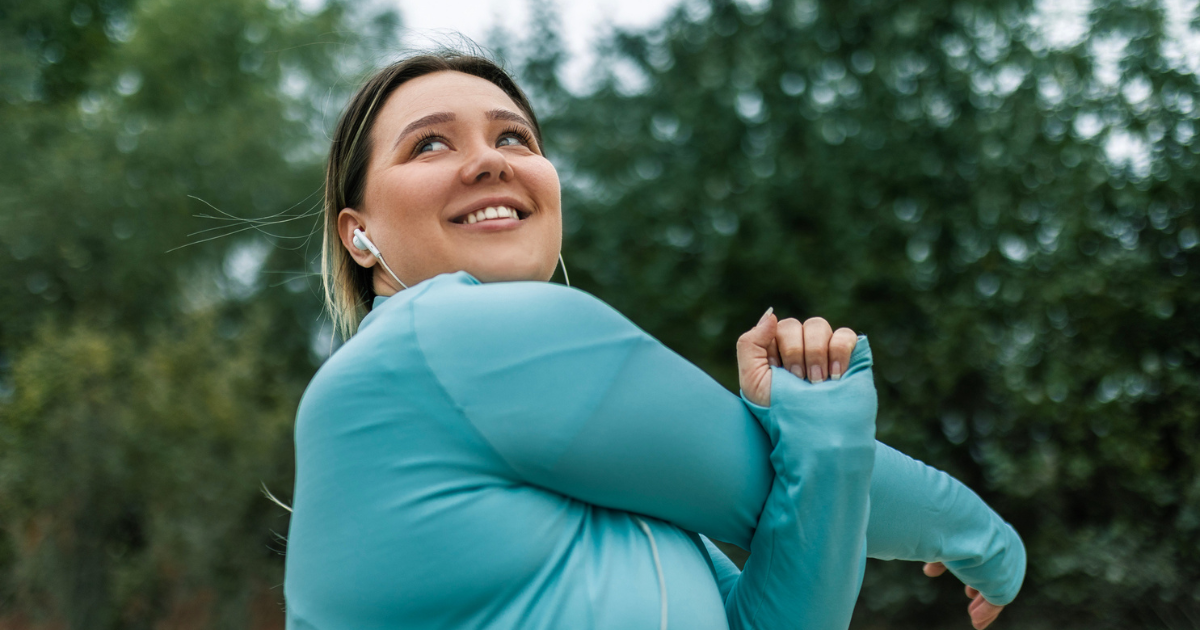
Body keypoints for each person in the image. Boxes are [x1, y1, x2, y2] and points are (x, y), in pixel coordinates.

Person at [283, 51, 1025, 630]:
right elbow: (766, 482)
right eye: (430, 145)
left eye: (514, 136)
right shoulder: (440, 334)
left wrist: (825, 430)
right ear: (359, 234)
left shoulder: (605, 481)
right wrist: (989, 543)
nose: (491, 160)